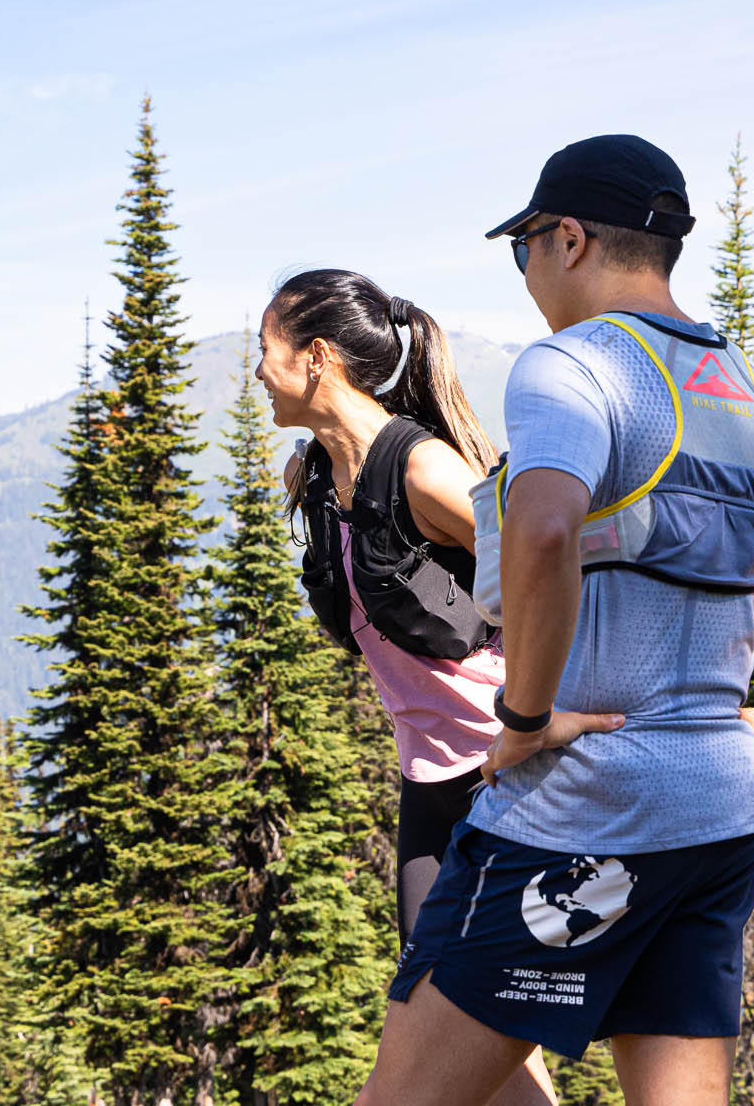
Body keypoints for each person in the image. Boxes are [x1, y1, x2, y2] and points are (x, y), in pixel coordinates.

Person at [360, 135, 754, 1105]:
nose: (526, 273)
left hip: (574, 816)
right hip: (714, 820)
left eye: (524, 248)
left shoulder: (569, 367)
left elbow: (543, 530)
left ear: (571, 239)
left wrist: (521, 720)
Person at [258, 269, 611, 1105]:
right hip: (432, 791)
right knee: (459, 1025)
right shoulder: (312, 480)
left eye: (264, 351)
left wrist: (550, 715)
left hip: (515, 773)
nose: (257, 372)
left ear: (315, 359)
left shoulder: (422, 471)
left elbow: (557, 565)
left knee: (428, 1041)